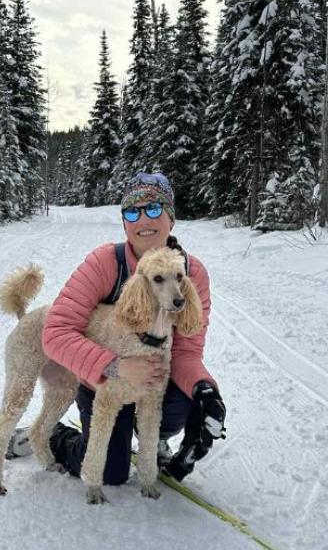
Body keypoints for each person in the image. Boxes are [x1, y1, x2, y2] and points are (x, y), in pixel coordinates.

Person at [12, 172, 226, 483]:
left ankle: (153, 436)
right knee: (112, 472)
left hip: (151, 376)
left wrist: (205, 390)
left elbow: (187, 351)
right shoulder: (105, 263)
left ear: (171, 218)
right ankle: (56, 436)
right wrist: (115, 367)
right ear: (124, 223)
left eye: (153, 209)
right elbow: (55, 333)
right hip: (100, 379)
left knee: (186, 398)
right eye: (131, 212)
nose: (143, 220)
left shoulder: (192, 274)